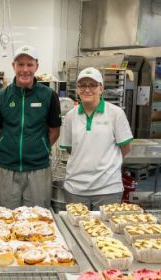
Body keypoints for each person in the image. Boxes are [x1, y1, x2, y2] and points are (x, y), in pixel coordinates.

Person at [0, 45, 61, 209]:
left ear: (37, 66)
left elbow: (54, 130)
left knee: (38, 219)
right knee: (7, 216)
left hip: (38, 169)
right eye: (20, 64)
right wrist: (6, 147)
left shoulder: (49, 95)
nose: (25, 69)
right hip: (7, 168)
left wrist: (41, 147)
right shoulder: (1, 97)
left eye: (30, 64)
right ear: (13, 66)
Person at [60, 67, 133, 210]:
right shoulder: (70, 116)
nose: (87, 89)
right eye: (82, 85)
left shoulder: (115, 113)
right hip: (76, 189)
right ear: (77, 89)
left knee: (106, 230)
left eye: (92, 85)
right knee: (76, 230)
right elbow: (70, 150)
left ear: (101, 88)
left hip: (108, 190)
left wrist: (106, 166)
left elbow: (126, 147)